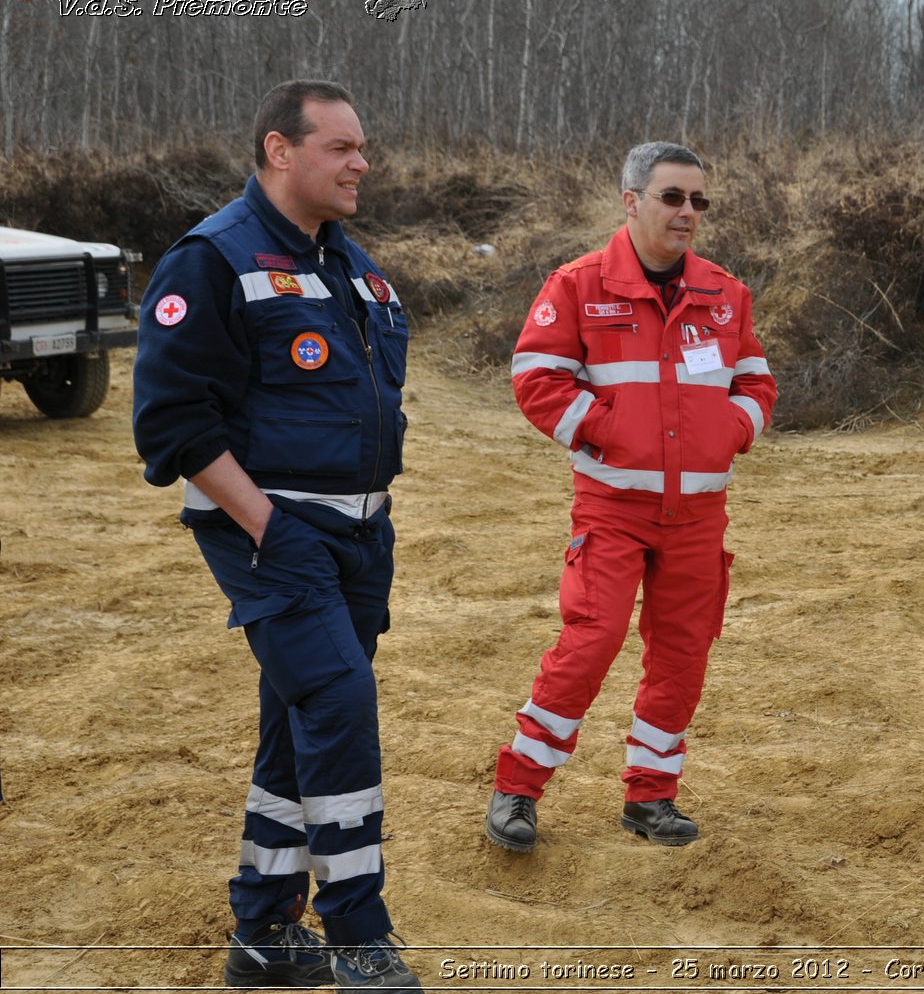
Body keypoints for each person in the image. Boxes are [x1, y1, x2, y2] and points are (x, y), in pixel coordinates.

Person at [132, 80, 420, 990]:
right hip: (277, 535)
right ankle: (356, 929)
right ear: (279, 151)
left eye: (362, 146)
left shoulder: (350, 263)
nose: (361, 163)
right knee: (339, 707)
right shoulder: (213, 258)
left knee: (298, 721)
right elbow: (173, 424)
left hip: (361, 536)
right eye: (340, 147)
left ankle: (262, 932)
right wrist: (269, 529)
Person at [485, 141, 776, 852]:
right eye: (673, 197)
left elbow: (757, 382)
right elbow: (536, 376)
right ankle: (517, 787)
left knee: (683, 654)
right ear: (631, 201)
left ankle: (652, 796)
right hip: (613, 509)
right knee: (593, 639)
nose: (688, 213)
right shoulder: (579, 284)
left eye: (698, 200)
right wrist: (609, 433)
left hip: (700, 515)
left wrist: (731, 431)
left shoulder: (725, 292)